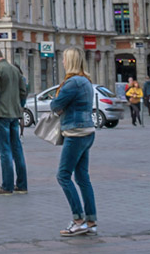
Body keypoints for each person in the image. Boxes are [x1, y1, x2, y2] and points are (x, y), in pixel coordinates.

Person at [52, 49, 98, 238]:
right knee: (82, 177)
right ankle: (91, 221)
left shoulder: (71, 83)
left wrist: (57, 102)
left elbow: (56, 105)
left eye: (64, 59)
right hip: (87, 131)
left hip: (76, 132)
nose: (62, 61)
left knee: (63, 176)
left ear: (69, 61)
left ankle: (78, 220)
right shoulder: (86, 81)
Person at [0, 45, 26, 195]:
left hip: (0, 114)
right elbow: (23, 91)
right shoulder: (14, 69)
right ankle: (22, 185)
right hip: (14, 114)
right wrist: (19, 106)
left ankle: (7, 186)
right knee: (17, 150)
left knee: (4, 151)